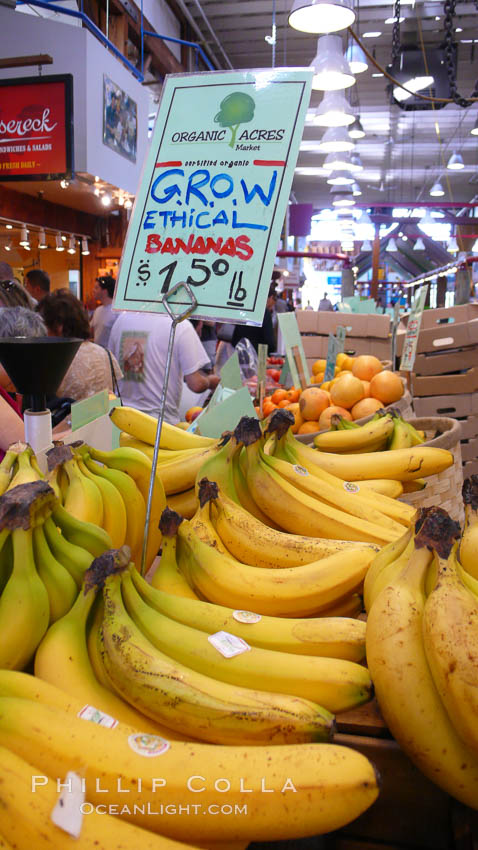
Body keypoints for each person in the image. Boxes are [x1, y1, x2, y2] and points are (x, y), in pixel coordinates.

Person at [108, 311, 220, 424]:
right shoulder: (179, 324)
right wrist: (210, 381)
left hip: (121, 419)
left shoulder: (122, 319)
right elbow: (197, 384)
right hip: (161, 424)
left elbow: (111, 370)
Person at [36, 290, 122, 402]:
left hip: (68, 419)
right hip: (105, 418)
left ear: (58, 326)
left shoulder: (55, 360)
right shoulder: (105, 354)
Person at [231, 283, 276, 354]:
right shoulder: (264, 312)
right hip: (258, 355)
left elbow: (234, 338)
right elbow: (269, 340)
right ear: (269, 297)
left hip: (241, 354)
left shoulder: (244, 310)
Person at [90, 275, 120, 349]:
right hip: (97, 353)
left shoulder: (117, 312)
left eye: (96, 288)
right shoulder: (97, 310)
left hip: (110, 355)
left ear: (105, 291)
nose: (93, 290)